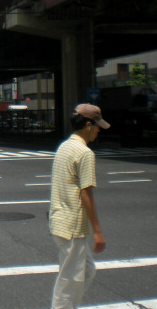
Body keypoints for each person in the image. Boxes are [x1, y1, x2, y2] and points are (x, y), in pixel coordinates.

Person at [49, 103, 109, 309]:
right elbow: (86, 193)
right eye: (98, 125)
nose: (99, 130)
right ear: (89, 125)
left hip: (59, 220)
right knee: (70, 281)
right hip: (73, 225)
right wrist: (98, 232)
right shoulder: (84, 153)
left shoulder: (64, 146)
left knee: (86, 271)